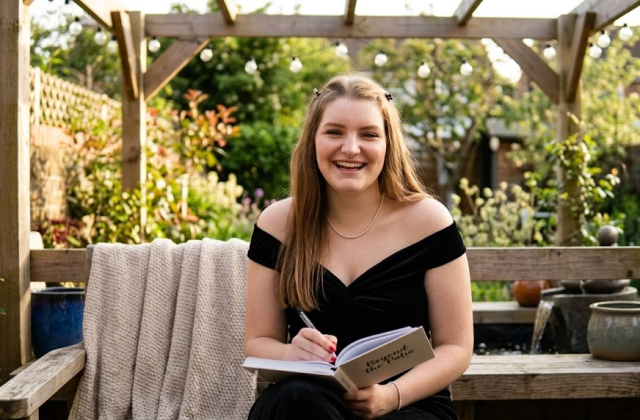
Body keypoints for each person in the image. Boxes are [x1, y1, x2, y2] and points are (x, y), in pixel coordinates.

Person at [244, 73, 473, 419]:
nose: (350, 148)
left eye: (368, 135)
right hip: (310, 404)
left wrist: (391, 396)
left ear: (387, 144)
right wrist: (293, 353)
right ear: (313, 141)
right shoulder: (277, 224)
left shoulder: (429, 220)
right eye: (334, 132)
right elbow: (258, 342)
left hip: (407, 401)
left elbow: (456, 346)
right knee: (299, 400)